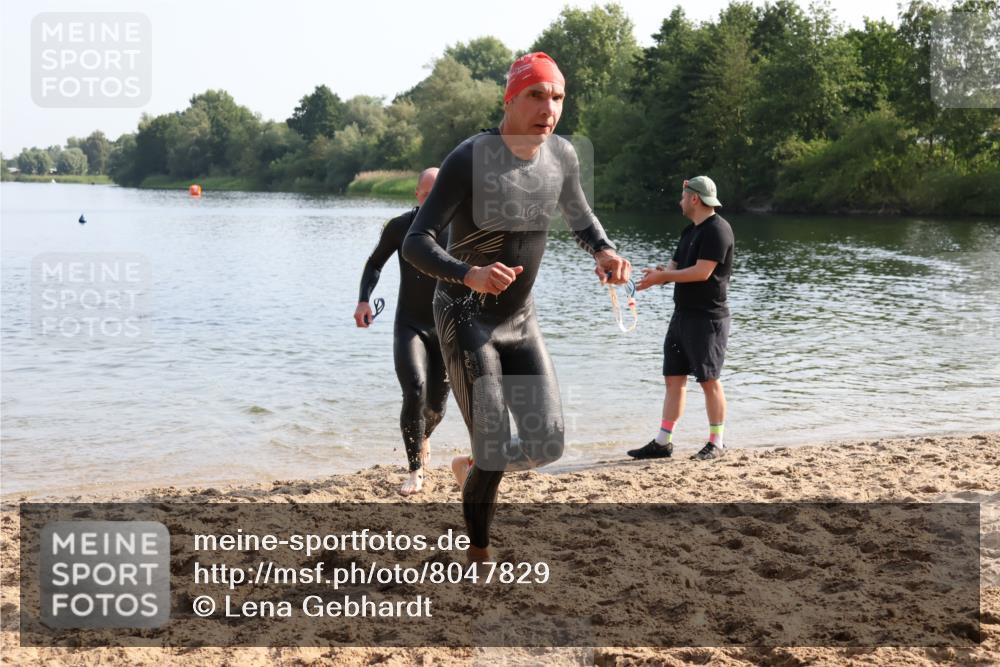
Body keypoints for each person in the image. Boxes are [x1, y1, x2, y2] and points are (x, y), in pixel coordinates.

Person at [402, 52, 632, 562]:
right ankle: (479, 553)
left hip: (519, 321)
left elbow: (582, 217)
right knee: (493, 445)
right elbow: (415, 242)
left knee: (546, 445)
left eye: (557, 98)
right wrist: (469, 273)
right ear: (510, 99)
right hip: (465, 317)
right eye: (536, 95)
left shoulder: (562, 157)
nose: (548, 108)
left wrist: (605, 252)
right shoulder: (470, 159)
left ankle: (470, 469)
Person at [354, 168, 449, 495]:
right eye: (427, 193)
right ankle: (415, 472)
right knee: (415, 389)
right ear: (418, 195)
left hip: (448, 327)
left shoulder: (462, 227)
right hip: (410, 323)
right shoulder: (400, 226)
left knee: (435, 407)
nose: (433, 199)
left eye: (440, 192)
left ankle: (421, 437)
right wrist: (363, 301)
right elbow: (375, 263)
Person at [631, 175, 734, 461]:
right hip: (682, 316)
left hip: (708, 318)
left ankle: (717, 442)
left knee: (708, 380)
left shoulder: (718, 230)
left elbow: (702, 272)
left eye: (682, 196)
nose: (679, 202)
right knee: (674, 379)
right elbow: (676, 268)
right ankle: (663, 442)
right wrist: (656, 275)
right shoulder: (689, 231)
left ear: (694, 199)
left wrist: (665, 276)